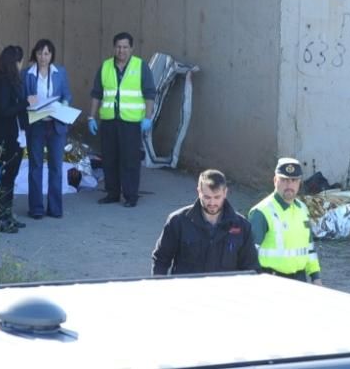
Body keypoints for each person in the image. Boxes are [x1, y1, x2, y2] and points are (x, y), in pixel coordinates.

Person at [87, 32, 156, 208]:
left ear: (131, 48)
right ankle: (112, 193)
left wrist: (147, 118)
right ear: (114, 47)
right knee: (109, 159)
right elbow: (97, 93)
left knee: (130, 160)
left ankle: (131, 196)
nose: (121, 50)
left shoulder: (140, 66)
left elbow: (149, 94)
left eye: (125, 47)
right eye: (118, 46)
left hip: (131, 122)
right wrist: (91, 117)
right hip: (109, 121)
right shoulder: (105, 67)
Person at [151, 169, 259, 276]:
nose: (212, 203)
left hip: (224, 292)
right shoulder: (178, 222)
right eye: (207, 197)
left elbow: (250, 267)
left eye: (217, 197)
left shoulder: (242, 226)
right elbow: (161, 260)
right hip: (186, 291)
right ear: (199, 192)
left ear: (225, 192)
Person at [248, 158, 322, 285]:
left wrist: (316, 277)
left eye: (294, 180)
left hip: (300, 280)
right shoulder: (261, 212)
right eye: (284, 180)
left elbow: (309, 247)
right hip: (271, 282)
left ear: (299, 183)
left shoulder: (302, 209)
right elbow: (249, 254)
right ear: (275, 180)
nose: (289, 185)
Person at [23, 38, 73, 219]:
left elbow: (67, 94)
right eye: (39, 53)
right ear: (34, 54)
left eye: (46, 53)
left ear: (51, 55)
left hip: (56, 124)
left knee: (56, 167)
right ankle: (36, 208)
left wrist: (65, 104)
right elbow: (21, 97)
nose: (43, 57)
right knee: (35, 166)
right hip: (36, 124)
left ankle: (55, 208)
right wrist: (28, 100)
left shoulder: (60, 72)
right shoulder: (26, 74)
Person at [0, 45, 29, 233]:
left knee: (10, 177)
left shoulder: (11, 81)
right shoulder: (2, 83)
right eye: (20, 61)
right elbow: (4, 110)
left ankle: (6, 214)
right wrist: (26, 103)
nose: (22, 65)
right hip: (5, 137)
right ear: (15, 62)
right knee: (6, 178)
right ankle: (0, 219)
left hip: (15, 136)